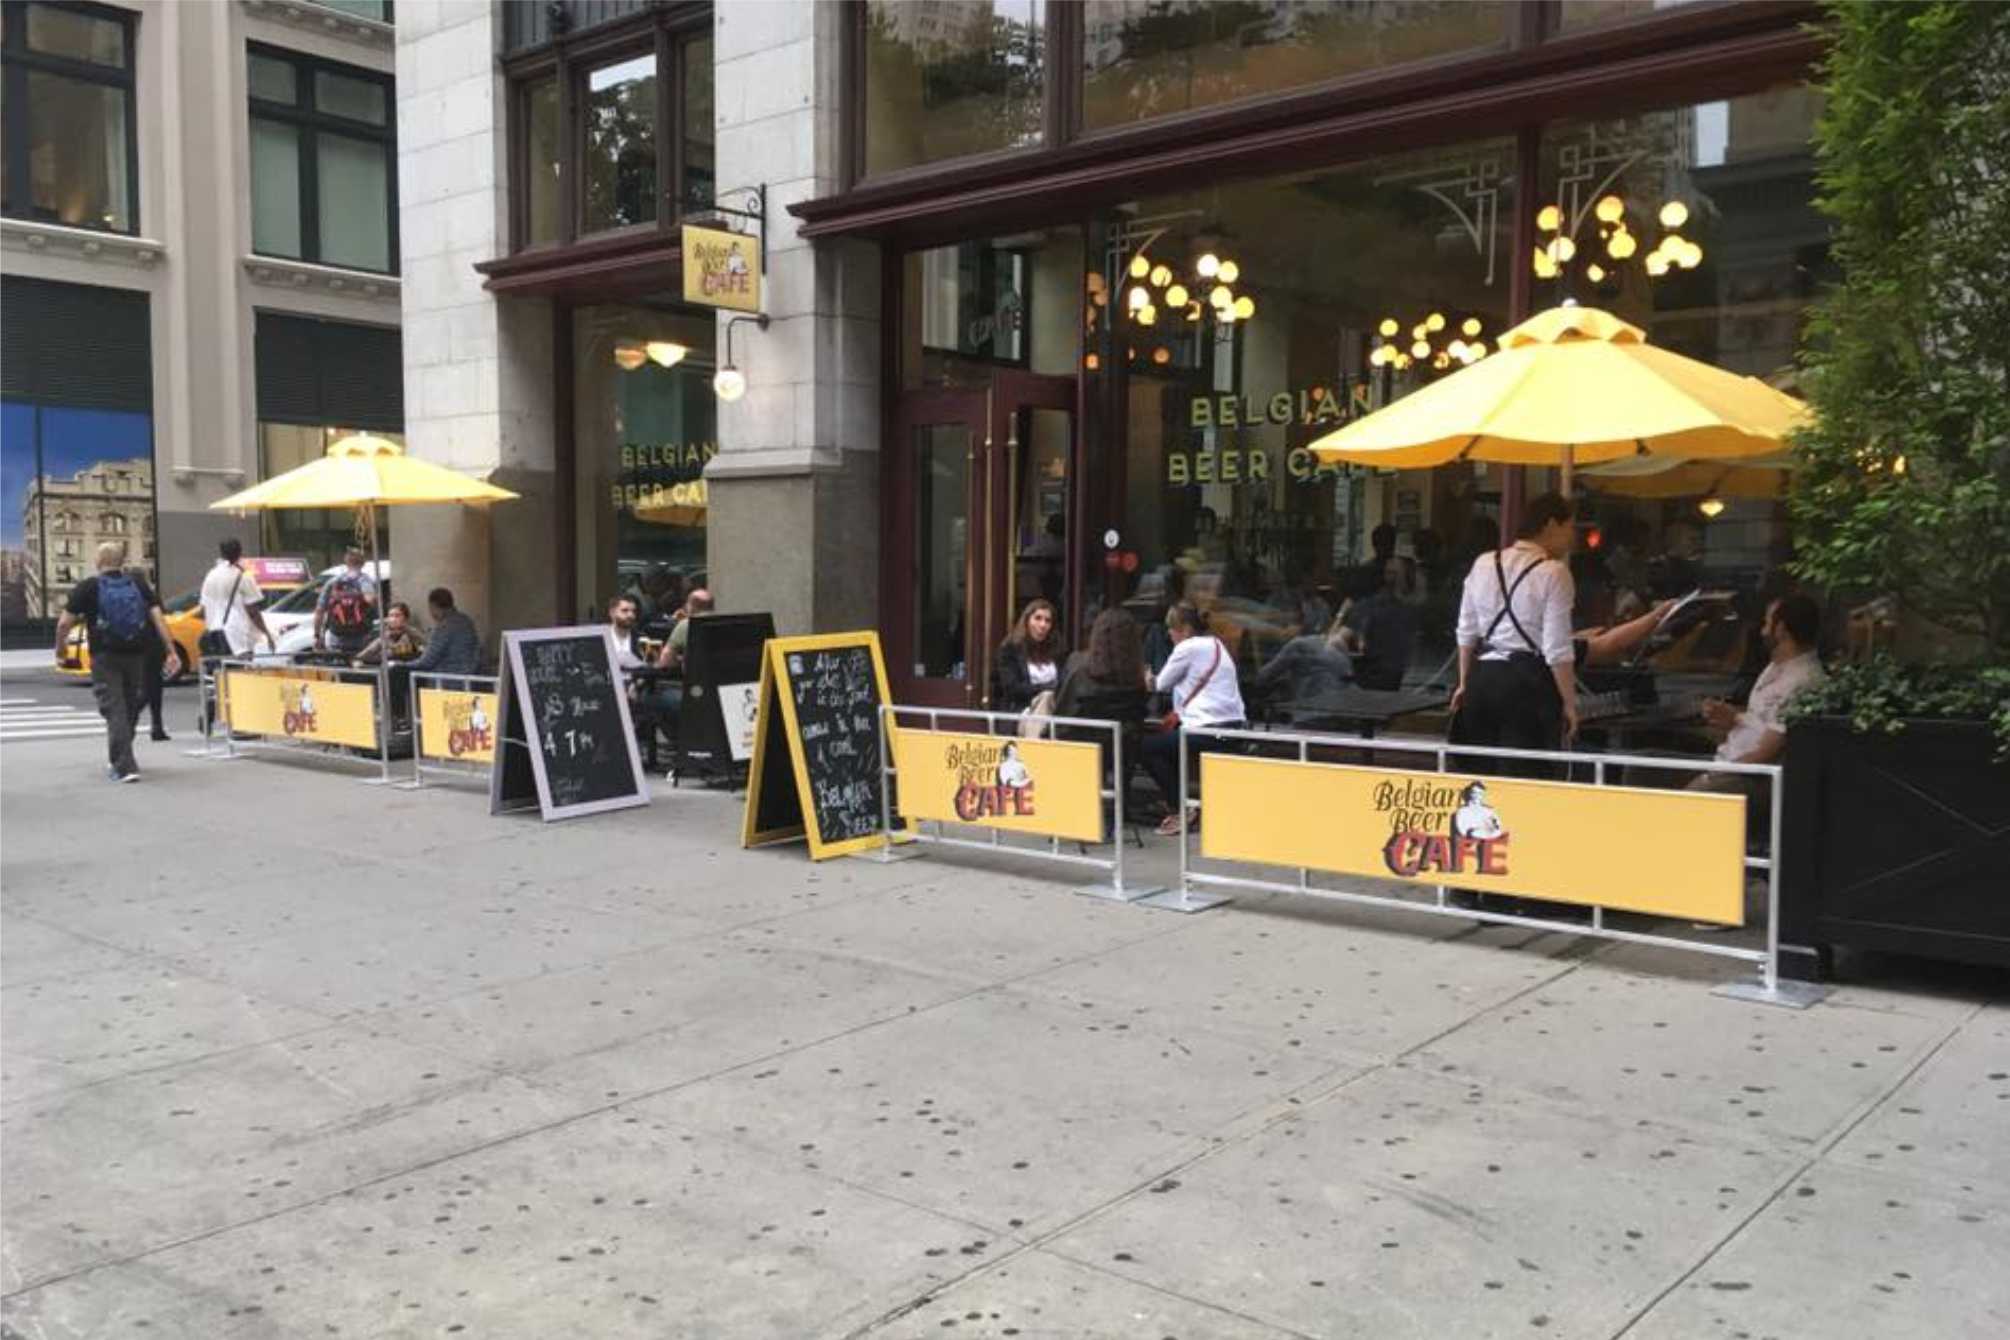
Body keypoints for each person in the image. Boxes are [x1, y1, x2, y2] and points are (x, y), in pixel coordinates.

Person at [1451, 491, 1580, 760]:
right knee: (1523, 776)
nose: (1572, 538)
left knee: (1480, 779)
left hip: (1482, 678)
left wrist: (1463, 682)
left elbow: (1466, 630)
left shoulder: (1483, 563)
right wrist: (1569, 702)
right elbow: (1557, 648)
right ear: (1551, 525)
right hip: (1527, 683)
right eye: (1569, 528)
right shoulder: (1554, 572)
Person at [52, 541, 181, 781]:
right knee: (129, 705)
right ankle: (124, 755)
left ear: (98, 562)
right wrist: (170, 649)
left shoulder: (89, 587)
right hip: (136, 654)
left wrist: (61, 650)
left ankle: (124, 767)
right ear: (121, 562)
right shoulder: (139, 584)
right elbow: (158, 619)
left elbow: (63, 624)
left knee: (114, 709)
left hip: (105, 656)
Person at [1694, 594, 1826, 798]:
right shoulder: (1776, 666)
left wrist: (1716, 775)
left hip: (1751, 778)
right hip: (1728, 762)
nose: (1762, 631)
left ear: (1780, 629)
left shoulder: (1804, 681)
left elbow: (1766, 752)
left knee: (1694, 795)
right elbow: (1764, 718)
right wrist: (1733, 716)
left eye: (1766, 623)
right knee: (1644, 768)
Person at [1141, 603, 1246, 836]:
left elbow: (1160, 684)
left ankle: (1181, 808)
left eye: (1173, 628)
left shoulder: (1187, 647)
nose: (1169, 633)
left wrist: (1146, 676)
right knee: (1168, 744)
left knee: (1146, 748)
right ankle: (1177, 800)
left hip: (1208, 728)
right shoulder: (1217, 644)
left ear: (1186, 629)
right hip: (1233, 726)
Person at [1253, 613, 1355, 712]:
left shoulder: (1299, 644)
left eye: (1286, 627)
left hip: (1310, 715)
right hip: (1341, 715)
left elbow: (1263, 677)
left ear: (1302, 626)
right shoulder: (1342, 654)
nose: (1282, 632)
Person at [1348, 558, 1422, 691]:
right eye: (1390, 573)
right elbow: (1358, 644)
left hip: (1415, 683)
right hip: (1379, 683)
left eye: (1394, 573)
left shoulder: (1418, 612)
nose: (1391, 578)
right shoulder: (1370, 608)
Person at [199, 538, 275, 661]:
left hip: (215, 635)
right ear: (240, 553)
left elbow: (203, 609)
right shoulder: (243, 576)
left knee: (218, 675)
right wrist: (267, 634)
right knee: (240, 675)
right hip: (238, 638)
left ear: (221, 553)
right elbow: (253, 612)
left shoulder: (210, 575)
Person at [993, 598, 1065, 714]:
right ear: (1027, 620)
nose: (1042, 625)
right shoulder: (1010, 649)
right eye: (1038, 618)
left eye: (1048, 621)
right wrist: (1048, 688)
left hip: (1055, 711)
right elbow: (1013, 688)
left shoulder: (1057, 650)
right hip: (1021, 712)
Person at [315, 548, 379, 658]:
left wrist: (317, 635)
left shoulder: (333, 582)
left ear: (346, 562)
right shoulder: (365, 580)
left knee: (338, 669)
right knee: (359, 670)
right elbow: (370, 600)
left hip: (336, 638)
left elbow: (319, 611)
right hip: (362, 638)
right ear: (363, 563)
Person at [405, 588, 480, 676]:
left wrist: (400, 665)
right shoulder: (466, 620)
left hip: (446, 681)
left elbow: (426, 662)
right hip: (469, 678)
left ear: (433, 606)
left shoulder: (444, 627)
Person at [654, 587, 714, 676]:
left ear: (691, 606)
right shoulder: (724, 623)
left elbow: (666, 660)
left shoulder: (686, 625)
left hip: (694, 682)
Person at [354, 602, 425, 666]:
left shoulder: (412, 633)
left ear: (405, 618)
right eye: (391, 616)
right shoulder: (386, 635)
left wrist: (397, 650)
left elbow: (424, 648)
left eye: (397, 616)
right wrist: (357, 659)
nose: (393, 619)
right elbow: (368, 652)